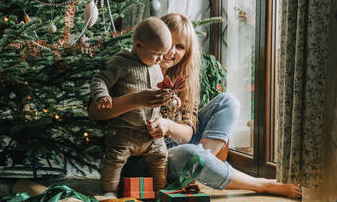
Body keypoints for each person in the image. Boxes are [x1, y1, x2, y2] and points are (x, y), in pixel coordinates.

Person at [87, 13, 302, 199]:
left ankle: (200, 166)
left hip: (174, 146)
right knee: (190, 154)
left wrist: (167, 125)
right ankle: (261, 184)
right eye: (169, 42)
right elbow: (95, 113)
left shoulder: (181, 77)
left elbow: (188, 133)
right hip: (141, 157)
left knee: (228, 102)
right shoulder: (128, 66)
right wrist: (137, 99)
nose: (171, 52)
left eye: (180, 47)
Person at [89, 17, 175, 197]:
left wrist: (171, 98)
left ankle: (161, 191)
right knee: (113, 160)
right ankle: (108, 192)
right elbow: (100, 79)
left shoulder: (155, 66)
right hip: (123, 129)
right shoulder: (121, 62)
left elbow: (162, 90)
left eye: (163, 54)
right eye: (156, 53)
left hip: (149, 132)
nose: (160, 59)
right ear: (138, 45)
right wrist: (102, 95)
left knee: (161, 156)